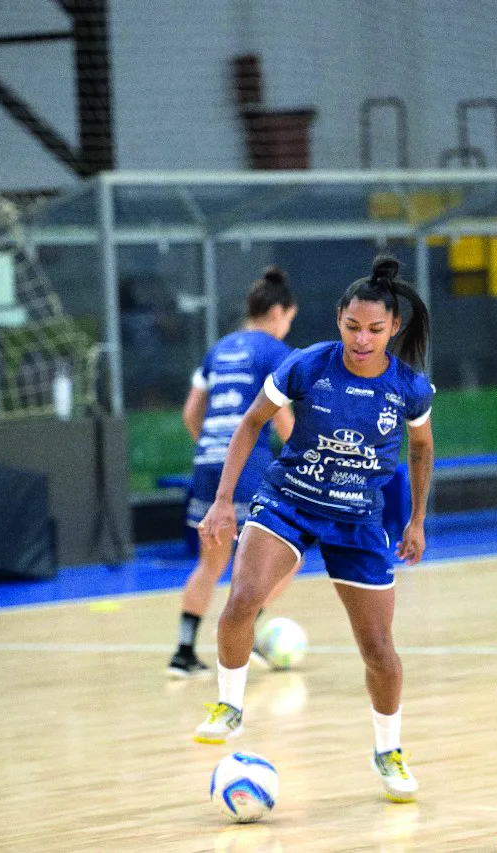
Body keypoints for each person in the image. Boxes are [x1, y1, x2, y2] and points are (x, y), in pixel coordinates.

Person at [193, 255, 435, 805]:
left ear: (393, 328)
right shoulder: (307, 365)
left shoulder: (409, 388)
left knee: (378, 650)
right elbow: (252, 422)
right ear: (337, 320)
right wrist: (224, 501)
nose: (363, 339)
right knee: (243, 599)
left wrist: (417, 519)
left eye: (375, 330)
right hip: (288, 502)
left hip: (358, 519)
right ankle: (230, 703)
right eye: (353, 327)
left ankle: (388, 750)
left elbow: (421, 450)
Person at [168, 266, 299, 677]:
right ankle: (242, 633)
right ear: (278, 312)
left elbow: (192, 413)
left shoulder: (218, 349)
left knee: (211, 563)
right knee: (285, 561)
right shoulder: (274, 352)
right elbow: (281, 419)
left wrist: (214, 450)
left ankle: (184, 652)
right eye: (289, 320)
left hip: (209, 464)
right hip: (249, 468)